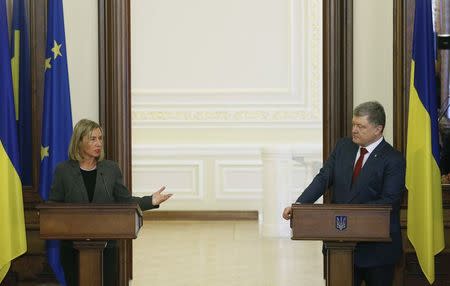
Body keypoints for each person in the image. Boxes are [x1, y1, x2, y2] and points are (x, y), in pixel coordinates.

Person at [282, 101, 405, 286]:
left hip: (377, 250)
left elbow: (390, 201)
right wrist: (300, 205)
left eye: (361, 126)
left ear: (378, 129)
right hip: (339, 245)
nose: (354, 130)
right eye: (353, 124)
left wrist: (350, 214)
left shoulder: (393, 159)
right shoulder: (343, 147)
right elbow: (323, 178)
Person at [49, 119, 172, 286]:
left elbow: (125, 201)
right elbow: (54, 207)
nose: (98, 143)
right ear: (79, 141)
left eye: (100, 138)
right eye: (93, 139)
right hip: (73, 249)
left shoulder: (110, 169)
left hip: (106, 248)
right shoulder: (63, 171)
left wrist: (151, 200)